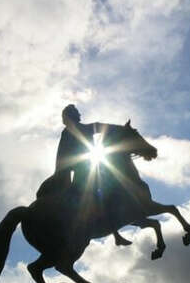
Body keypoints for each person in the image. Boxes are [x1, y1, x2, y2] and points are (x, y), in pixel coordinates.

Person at [37, 104, 131, 246]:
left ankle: (115, 234)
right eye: (77, 113)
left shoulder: (70, 131)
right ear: (73, 116)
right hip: (82, 168)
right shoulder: (82, 129)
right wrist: (122, 129)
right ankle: (114, 233)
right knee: (102, 193)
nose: (79, 115)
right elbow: (102, 127)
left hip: (79, 167)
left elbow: (61, 154)